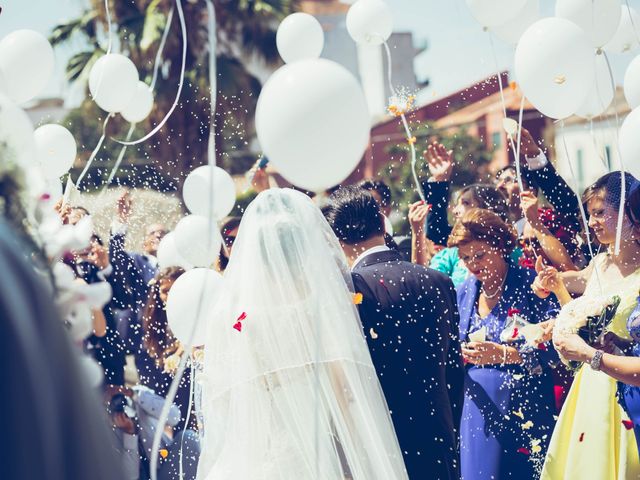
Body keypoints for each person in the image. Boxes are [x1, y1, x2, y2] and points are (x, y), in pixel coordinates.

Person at [198, 188, 408, 480]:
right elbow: (342, 387)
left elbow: (228, 377)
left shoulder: (242, 315)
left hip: (267, 443)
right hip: (320, 437)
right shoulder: (321, 307)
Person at [325, 185, 464, 480]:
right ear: (381, 225)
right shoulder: (437, 281)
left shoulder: (350, 289)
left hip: (381, 442)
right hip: (438, 437)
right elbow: (453, 373)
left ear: (338, 239)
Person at [0, 219, 125, 480]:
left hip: (79, 366)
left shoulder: (76, 284)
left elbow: (100, 330)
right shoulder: (31, 277)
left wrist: (86, 299)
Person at [538, 172, 640, 479]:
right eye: (590, 214)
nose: (592, 222)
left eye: (599, 213)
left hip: (625, 382)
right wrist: (551, 285)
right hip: (590, 381)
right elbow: (576, 299)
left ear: (626, 212)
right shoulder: (598, 264)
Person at [449, 208, 558, 480]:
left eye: (479, 255)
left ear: (499, 246)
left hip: (526, 409)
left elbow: (558, 350)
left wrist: (507, 354)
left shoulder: (531, 287)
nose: (472, 264)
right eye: (464, 258)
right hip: (478, 412)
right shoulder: (463, 292)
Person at [137, 266, 196, 431]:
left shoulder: (194, 312)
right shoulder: (154, 318)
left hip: (190, 382)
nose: (170, 296)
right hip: (163, 386)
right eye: (165, 291)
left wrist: (177, 355)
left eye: (175, 289)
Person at [419, 183, 510, 286]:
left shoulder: (512, 252)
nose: (455, 211)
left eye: (465, 203)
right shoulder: (451, 254)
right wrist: (417, 232)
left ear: (487, 208)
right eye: (465, 257)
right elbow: (424, 284)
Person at [107, 385, 200, 480]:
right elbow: (131, 476)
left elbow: (174, 416)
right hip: (146, 477)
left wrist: (134, 395)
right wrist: (129, 433)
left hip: (167, 460)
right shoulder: (105, 430)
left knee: (189, 437)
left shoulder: (139, 394)